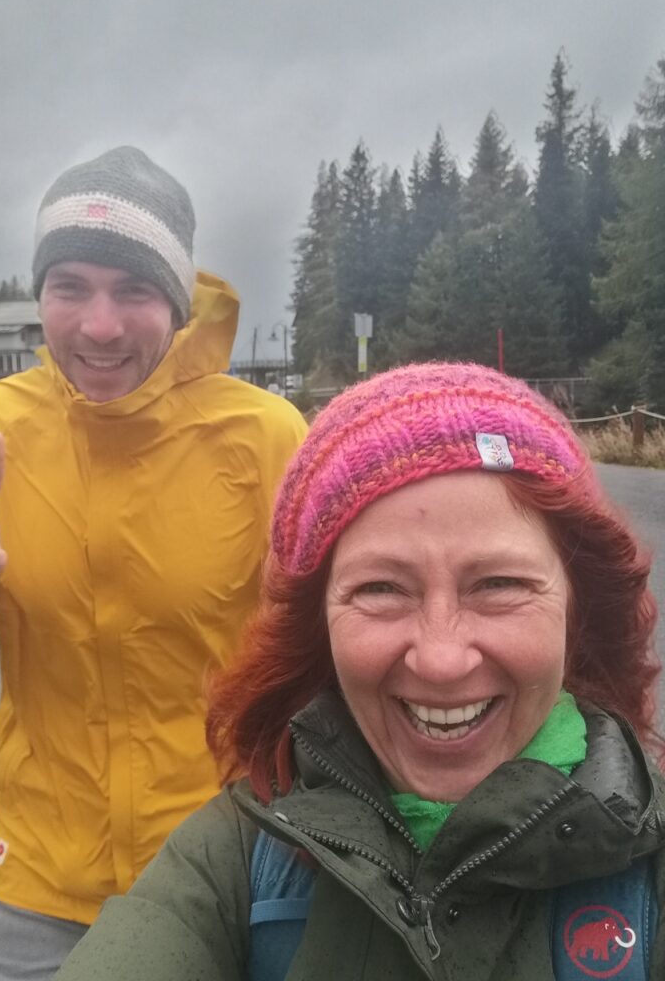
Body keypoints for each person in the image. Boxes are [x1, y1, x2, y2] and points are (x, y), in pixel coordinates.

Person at [55, 361, 665, 980]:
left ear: (578, 608)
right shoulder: (238, 861)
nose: (442, 659)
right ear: (317, 625)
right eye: (381, 589)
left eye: (500, 584)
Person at [0, 146, 307, 979]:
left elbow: (328, 655)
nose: (100, 324)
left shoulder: (266, 438)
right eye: (70, 286)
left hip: (225, 870)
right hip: (42, 886)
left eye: (135, 289)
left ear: (180, 301)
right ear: (38, 295)